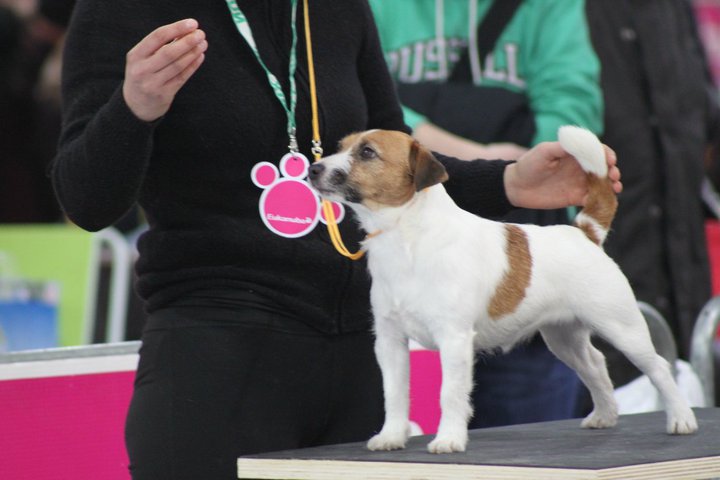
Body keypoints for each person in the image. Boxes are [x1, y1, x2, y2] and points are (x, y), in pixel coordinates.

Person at [50, 1, 621, 478]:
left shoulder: (335, 6)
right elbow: (87, 200)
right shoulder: (124, 9)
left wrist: (508, 181)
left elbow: (396, 160)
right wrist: (133, 109)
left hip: (355, 354)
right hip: (218, 350)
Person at [369, 0, 603, 427]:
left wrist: (422, 145)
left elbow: (571, 113)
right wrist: (481, 159)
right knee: (409, 455)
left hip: (514, 274)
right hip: (405, 270)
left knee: (527, 456)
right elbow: (359, 103)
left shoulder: (549, 6)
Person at [578, 0, 720, 398]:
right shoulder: (561, 11)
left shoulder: (673, 9)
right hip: (588, 304)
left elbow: (700, 128)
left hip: (683, 304)